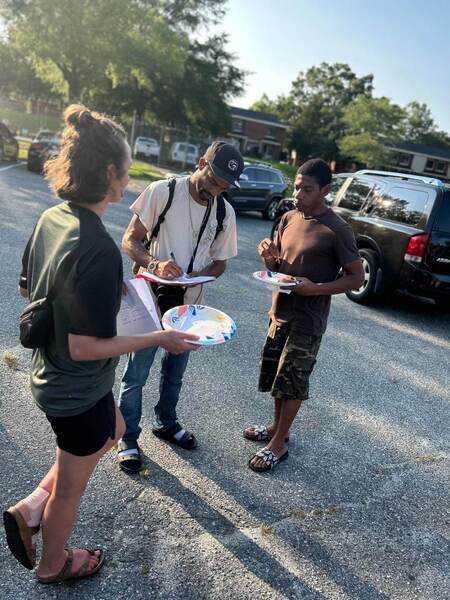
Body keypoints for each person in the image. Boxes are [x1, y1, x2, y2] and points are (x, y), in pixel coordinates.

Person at [3, 104, 198, 584]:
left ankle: (31, 509)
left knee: (112, 428)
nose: (128, 179)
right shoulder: (98, 247)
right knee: (71, 487)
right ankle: (53, 564)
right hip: (73, 386)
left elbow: (29, 288)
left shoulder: (53, 217)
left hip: (54, 372)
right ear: (109, 173)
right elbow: (85, 347)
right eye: (127, 170)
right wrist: (158, 337)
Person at [117, 141, 243, 472]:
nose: (216, 191)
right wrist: (154, 262)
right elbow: (130, 240)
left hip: (188, 310)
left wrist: (195, 278)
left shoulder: (222, 211)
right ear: (202, 163)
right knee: (136, 374)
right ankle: (128, 437)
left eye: (224, 187)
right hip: (149, 300)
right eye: (214, 181)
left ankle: (166, 423)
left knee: (175, 374)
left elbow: (220, 264)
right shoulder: (163, 191)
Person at [245, 159, 364, 472]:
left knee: (293, 382)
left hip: (308, 320)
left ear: (325, 190)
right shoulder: (287, 218)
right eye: (297, 186)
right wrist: (271, 260)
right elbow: (281, 268)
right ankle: (275, 427)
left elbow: (356, 278)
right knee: (275, 376)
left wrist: (316, 289)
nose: (298, 193)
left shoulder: (337, 229)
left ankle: (280, 442)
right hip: (279, 312)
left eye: (307, 189)